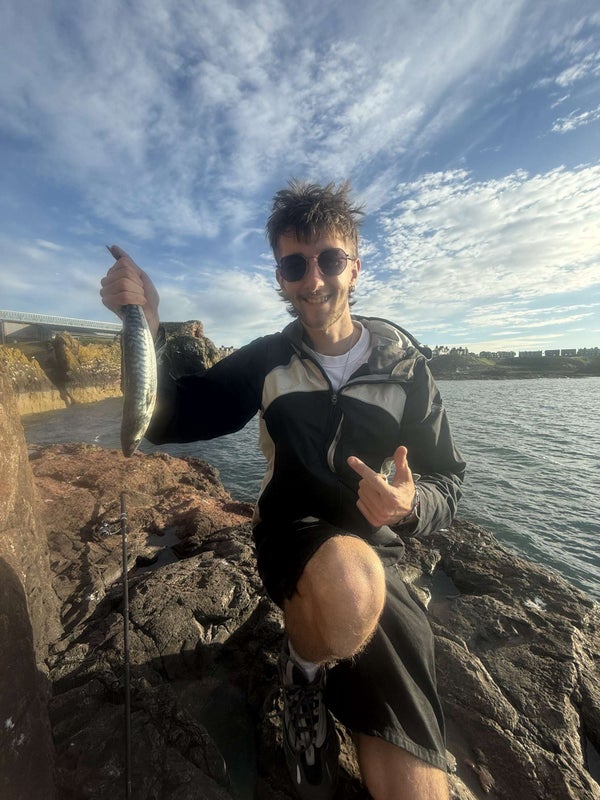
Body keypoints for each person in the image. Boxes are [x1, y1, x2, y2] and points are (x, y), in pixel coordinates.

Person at [100, 180, 465, 800]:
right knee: (351, 587)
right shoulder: (268, 359)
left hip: (377, 547)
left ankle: (334, 665)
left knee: (415, 779)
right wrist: (149, 323)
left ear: (355, 267)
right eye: (295, 266)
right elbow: (171, 418)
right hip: (291, 535)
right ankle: (302, 672)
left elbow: (448, 480)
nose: (313, 279)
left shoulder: (406, 368)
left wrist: (410, 505)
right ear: (280, 278)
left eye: (329, 259)